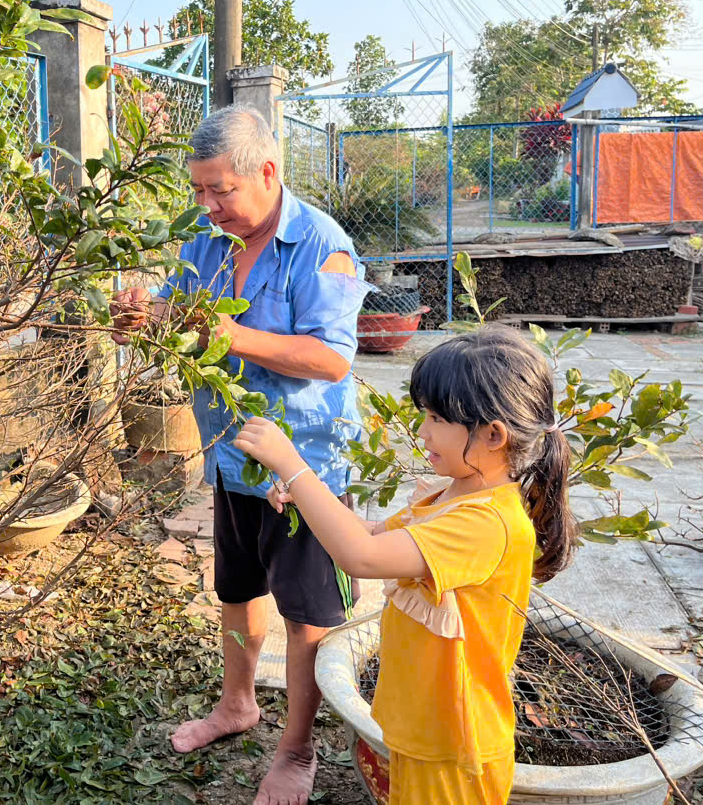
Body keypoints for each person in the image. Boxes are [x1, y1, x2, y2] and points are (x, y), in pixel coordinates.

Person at [110, 104, 370, 805]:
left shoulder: (321, 245)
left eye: (220, 190)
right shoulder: (207, 238)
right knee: (237, 590)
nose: (208, 205)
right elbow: (178, 310)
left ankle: (298, 749)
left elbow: (330, 358)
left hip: (303, 468)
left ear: (267, 172)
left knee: (306, 616)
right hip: (230, 456)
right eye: (199, 190)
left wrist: (221, 334)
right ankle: (237, 705)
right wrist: (143, 317)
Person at [233, 325, 577, 805]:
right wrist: (305, 499)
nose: (422, 431)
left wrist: (293, 466)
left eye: (436, 418)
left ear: (493, 434)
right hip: (424, 725)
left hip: (454, 749)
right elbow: (373, 534)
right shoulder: (455, 493)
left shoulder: (488, 524)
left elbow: (362, 556)